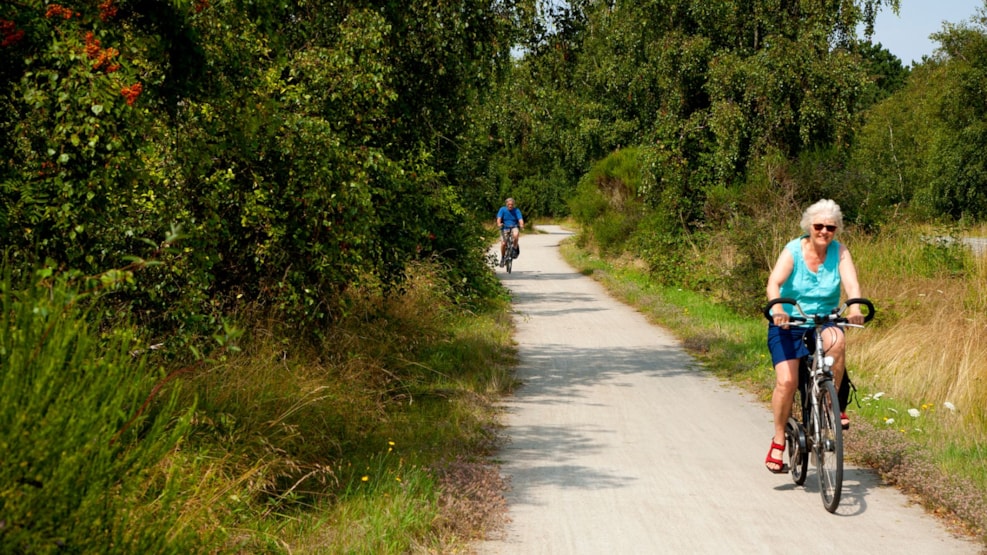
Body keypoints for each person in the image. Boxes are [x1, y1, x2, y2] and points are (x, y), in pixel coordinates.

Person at [764, 199, 864, 473]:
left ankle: (831, 404)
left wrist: (854, 306)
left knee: (838, 341)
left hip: (824, 320)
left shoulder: (840, 252)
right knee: (787, 382)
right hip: (789, 321)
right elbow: (774, 282)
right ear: (809, 226)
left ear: (836, 229)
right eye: (818, 226)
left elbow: (851, 283)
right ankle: (779, 438)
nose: (824, 231)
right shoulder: (793, 250)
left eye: (830, 227)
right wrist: (777, 309)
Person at [496, 197, 524, 267]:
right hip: (505, 227)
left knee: (515, 235)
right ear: (506, 204)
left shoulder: (516, 210)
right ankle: (502, 258)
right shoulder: (502, 209)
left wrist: (521, 224)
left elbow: (520, 219)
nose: (510, 206)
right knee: (503, 243)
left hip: (514, 226)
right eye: (509, 204)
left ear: (513, 205)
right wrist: (499, 224)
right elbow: (499, 218)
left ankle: (514, 248)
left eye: (512, 204)